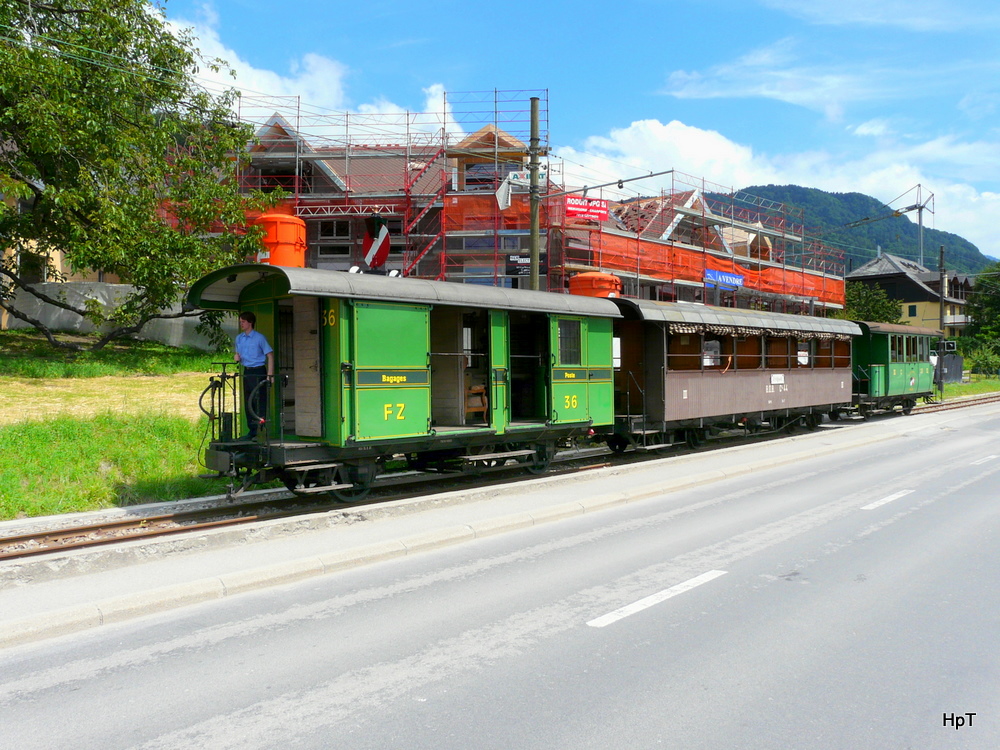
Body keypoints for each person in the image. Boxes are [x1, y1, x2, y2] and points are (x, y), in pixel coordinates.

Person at [234, 311, 274, 439]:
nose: (241, 324)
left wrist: (270, 375)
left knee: (259, 400)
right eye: (240, 322)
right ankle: (252, 431)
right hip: (247, 370)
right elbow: (238, 354)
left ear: (250, 322)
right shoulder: (239, 338)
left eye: (243, 322)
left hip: (259, 370)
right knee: (248, 400)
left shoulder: (259, 338)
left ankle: (261, 428)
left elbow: (270, 355)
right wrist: (236, 357)